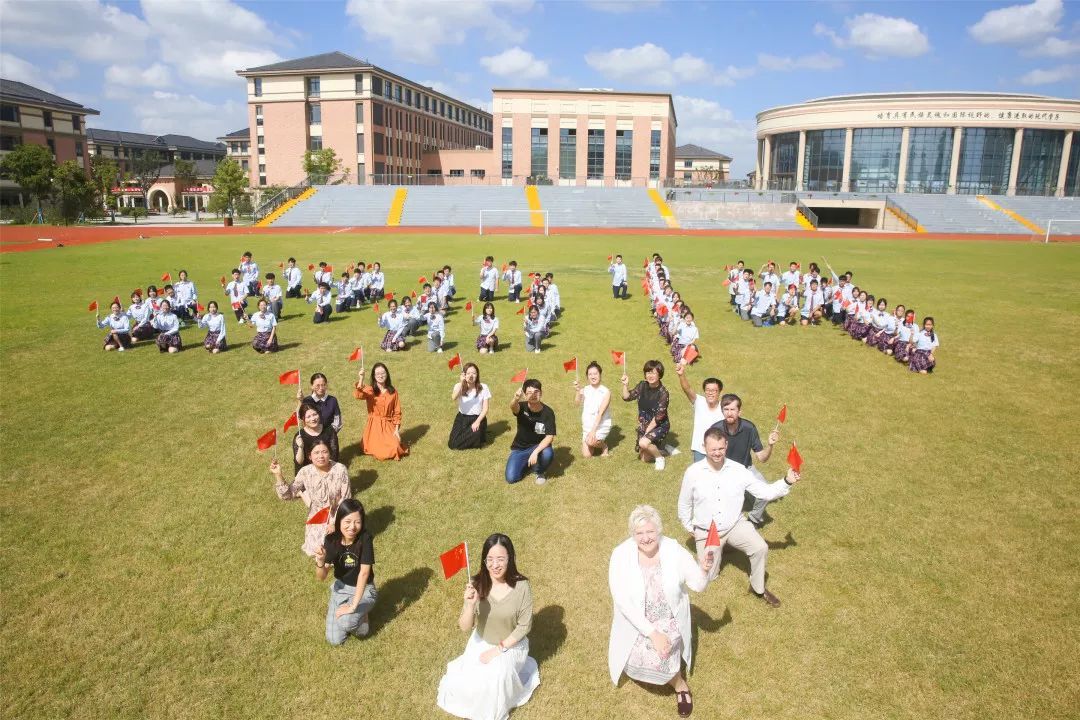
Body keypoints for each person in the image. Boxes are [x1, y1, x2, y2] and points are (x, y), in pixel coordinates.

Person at [608, 505, 713, 719]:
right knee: (633, 656)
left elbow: (698, 585)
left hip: (668, 618)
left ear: (659, 530)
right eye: (639, 533)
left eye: (650, 531)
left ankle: (680, 685)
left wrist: (703, 570)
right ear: (632, 534)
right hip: (637, 620)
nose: (646, 538)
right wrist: (652, 633)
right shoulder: (620, 554)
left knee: (662, 655)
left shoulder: (674, 550)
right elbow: (622, 601)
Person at [677, 428, 801, 608]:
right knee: (709, 576)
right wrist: (691, 528)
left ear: (726, 445)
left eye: (721, 448)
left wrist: (787, 481)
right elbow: (684, 504)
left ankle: (758, 588)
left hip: (734, 525)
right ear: (704, 447)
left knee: (760, 547)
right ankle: (721, 549)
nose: (717, 453)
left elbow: (765, 492)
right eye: (713, 449)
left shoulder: (738, 470)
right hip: (708, 531)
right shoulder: (693, 472)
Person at [437, 534, 539, 720]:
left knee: (496, 680)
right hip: (481, 642)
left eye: (500, 559)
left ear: (510, 558)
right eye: (490, 559)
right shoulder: (476, 584)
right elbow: (465, 627)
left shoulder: (522, 586)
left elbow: (524, 626)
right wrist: (469, 605)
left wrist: (497, 650)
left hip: (511, 645)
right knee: (468, 686)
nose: (495, 565)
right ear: (484, 561)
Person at [707, 393, 780, 527]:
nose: (729, 413)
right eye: (726, 409)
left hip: (746, 468)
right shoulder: (715, 429)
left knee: (765, 493)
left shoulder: (749, 428)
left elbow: (762, 458)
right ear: (722, 411)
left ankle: (754, 519)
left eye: (733, 409)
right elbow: (710, 455)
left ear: (739, 411)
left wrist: (770, 445)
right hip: (723, 470)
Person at [270, 440, 351, 557]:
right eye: (316, 453)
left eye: (324, 452)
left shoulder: (340, 469)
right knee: (318, 551)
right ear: (310, 456)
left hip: (339, 514)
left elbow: (346, 499)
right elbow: (288, 495)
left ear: (329, 453)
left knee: (339, 552)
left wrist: (335, 523)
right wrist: (278, 475)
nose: (321, 456)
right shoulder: (305, 472)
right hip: (317, 517)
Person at [315, 498, 377, 645]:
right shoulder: (331, 541)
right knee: (334, 640)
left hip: (364, 589)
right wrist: (320, 561)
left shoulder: (365, 538)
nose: (352, 527)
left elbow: (364, 573)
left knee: (351, 625)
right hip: (341, 589)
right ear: (339, 521)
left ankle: (363, 617)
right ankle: (345, 610)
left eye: (357, 522)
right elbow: (321, 577)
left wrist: (353, 606)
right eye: (347, 522)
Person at [621, 360, 670, 471]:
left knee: (643, 443)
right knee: (644, 458)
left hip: (659, 425)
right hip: (645, 423)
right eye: (648, 372)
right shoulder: (642, 385)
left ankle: (660, 458)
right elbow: (627, 397)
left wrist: (646, 432)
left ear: (659, 374)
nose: (650, 375)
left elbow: (659, 417)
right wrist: (625, 385)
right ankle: (662, 450)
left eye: (653, 372)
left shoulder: (663, 393)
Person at [353, 362, 408, 460]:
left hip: (388, 425)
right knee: (381, 452)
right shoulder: (370, 390)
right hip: (374, 426)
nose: (380, 376)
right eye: (377, 374)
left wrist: (396, 430)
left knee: (395, 447)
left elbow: (397, 412)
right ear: (374, 376)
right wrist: (361, 379)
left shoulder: (393, 392)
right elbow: (358, 395)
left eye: (383, 373)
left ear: (387, 374)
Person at [506, 379, 556, 485]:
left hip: (539, 446)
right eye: (529, 392)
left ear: (541, 393)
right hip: (520, 448)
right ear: (524, 395)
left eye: (536, 391)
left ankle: (539, 471)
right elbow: (513, 407)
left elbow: (549, 437)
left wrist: (535, 452)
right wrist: (515, 399)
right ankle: (527, 462)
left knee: (548, 453)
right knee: (511, 478)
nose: (533, 395)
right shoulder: (521, 407)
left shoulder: (548, 412)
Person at [675, 364, 724, 463]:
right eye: (707, 390)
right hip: (700, 450)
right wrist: (681, 375)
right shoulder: (699, 401)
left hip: (718, 451)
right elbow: (687, 389)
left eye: (714, 390)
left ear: (719, 392)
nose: (710, 393)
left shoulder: (724, 408)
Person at [573, 361, 612, 458]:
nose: (593, 376)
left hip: (601, 425)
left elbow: (600, 413)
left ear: (600, 375)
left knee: (590, 441)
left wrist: (593, 431)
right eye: (590, 374)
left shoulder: (606, 392)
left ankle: (604, 446)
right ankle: (592, 442)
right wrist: (577, 391)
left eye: (595, 374)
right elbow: (577, 403)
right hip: (587, 426)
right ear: (587, 376)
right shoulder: (585, 389)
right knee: (587, 455)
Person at [449, 363, 491, 450]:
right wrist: (461, 383)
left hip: (478, 418)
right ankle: (475, 439)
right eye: (468, 373)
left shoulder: (484, 387)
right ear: (464, 375)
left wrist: (477, 422)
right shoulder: (458, 386)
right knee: (452, 444)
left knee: (473, 434)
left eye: (474, 373)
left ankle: (478, 437)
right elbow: (453, 397)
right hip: (461, 418)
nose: (471, 376)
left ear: (477, 374)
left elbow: (485, 409)